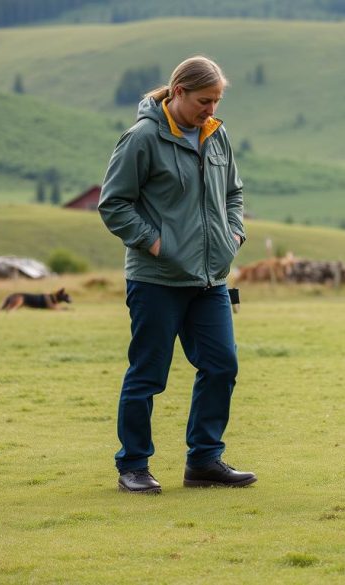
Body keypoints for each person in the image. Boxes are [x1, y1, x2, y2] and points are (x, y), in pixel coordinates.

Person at [99, 55, 257, 493]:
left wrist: (235, 235)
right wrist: (156, 244)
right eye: (204, 101)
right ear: (178, 92)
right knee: (148, 374)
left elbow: (234, 193)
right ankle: (133, 465)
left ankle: (205, 461)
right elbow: (113, 204)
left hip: (210, 281)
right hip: (156, 280)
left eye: (217, 101)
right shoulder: (142, 138)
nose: (211, 109)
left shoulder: (217, 134)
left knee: (222, 366)